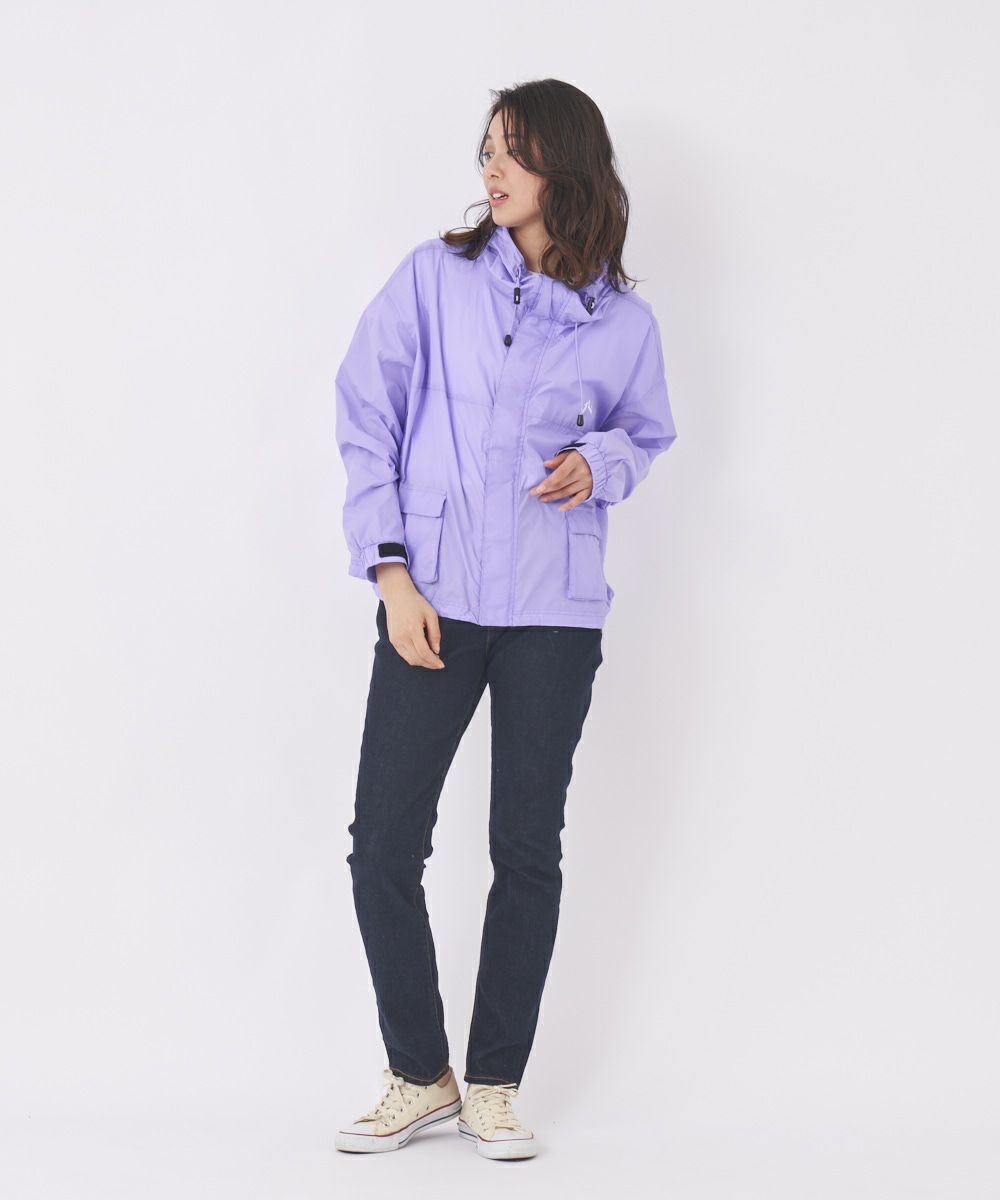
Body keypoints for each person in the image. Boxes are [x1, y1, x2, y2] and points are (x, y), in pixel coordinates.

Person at [332, 78, 677, 1161]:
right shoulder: (434, 279)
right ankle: (419, 1072)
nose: (491, 168)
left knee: (526, 849)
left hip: (551, 615)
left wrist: (600, 461)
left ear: (564, 167)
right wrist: (391, 573)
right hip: (432, 598)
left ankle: (491, 1084)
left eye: (514, 151)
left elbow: (647, 434)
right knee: (383, 847)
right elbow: (366, 412)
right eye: (486, 148)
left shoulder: (623, 322)